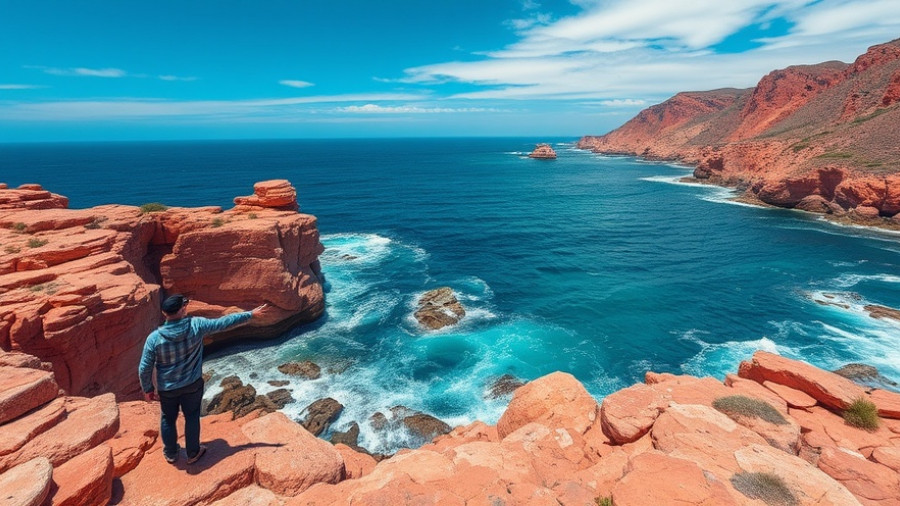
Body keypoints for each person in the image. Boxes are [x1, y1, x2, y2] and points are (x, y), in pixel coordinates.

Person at [138, 294, 273, 464]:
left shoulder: (154, 338)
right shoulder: (197, 325)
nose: (186, 307)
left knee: (168, 418)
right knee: (192, 416)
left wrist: (148, 389)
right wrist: (250, 315)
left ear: (165, 313)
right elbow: (224, 323)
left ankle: (171, 453)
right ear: (181, 309)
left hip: (168, 388)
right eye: (184, 305)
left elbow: (144, 368)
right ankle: (193, 453)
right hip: (192, 385)